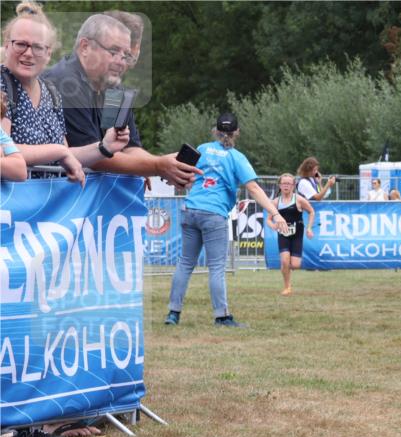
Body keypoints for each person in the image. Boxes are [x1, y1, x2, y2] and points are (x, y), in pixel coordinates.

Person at [41, 14, 198, 187]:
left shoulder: (114, 91)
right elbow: (94, 157)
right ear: (85, 47)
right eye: (114, 52)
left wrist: (169, 166)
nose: (121, 62)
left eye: (126, 56)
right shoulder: (64, 82)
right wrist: (156, 167)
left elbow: (129, 147)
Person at [164, 112, 286, 328]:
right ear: (237, 132)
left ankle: (173, 314)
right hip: (214, 214)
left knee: (185, 263)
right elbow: (254, 188)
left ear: (216, 130)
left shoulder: (201, 149)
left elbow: (181, 177)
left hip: (191, 208)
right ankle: (222, 316)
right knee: (216, 267)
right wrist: (275, 213)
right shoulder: (236, 157)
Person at [1, 3, 128, 183]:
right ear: (7, 46)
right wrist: (58, 151)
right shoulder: (2, 84)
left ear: (48, 53)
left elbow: (66, 154)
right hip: (12, 206)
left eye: (37, 47)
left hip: (51, 206)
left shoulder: (51, 92)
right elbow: (3, 150)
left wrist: (104, 147)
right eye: (21, 44)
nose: (28, 53)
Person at [266, 172, 315, 295]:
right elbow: (268, 220)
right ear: (280, 185)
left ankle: (287, 268)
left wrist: (309, 228)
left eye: (289, 183)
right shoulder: (276, 202)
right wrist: (273, 226)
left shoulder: (298, 199)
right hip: (283, 234)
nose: (286, 186)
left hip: (297, 235)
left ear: (293, 185)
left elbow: (311, 212)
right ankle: (287, 287)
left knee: (295, 264)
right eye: (284, 183)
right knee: (284, 261)